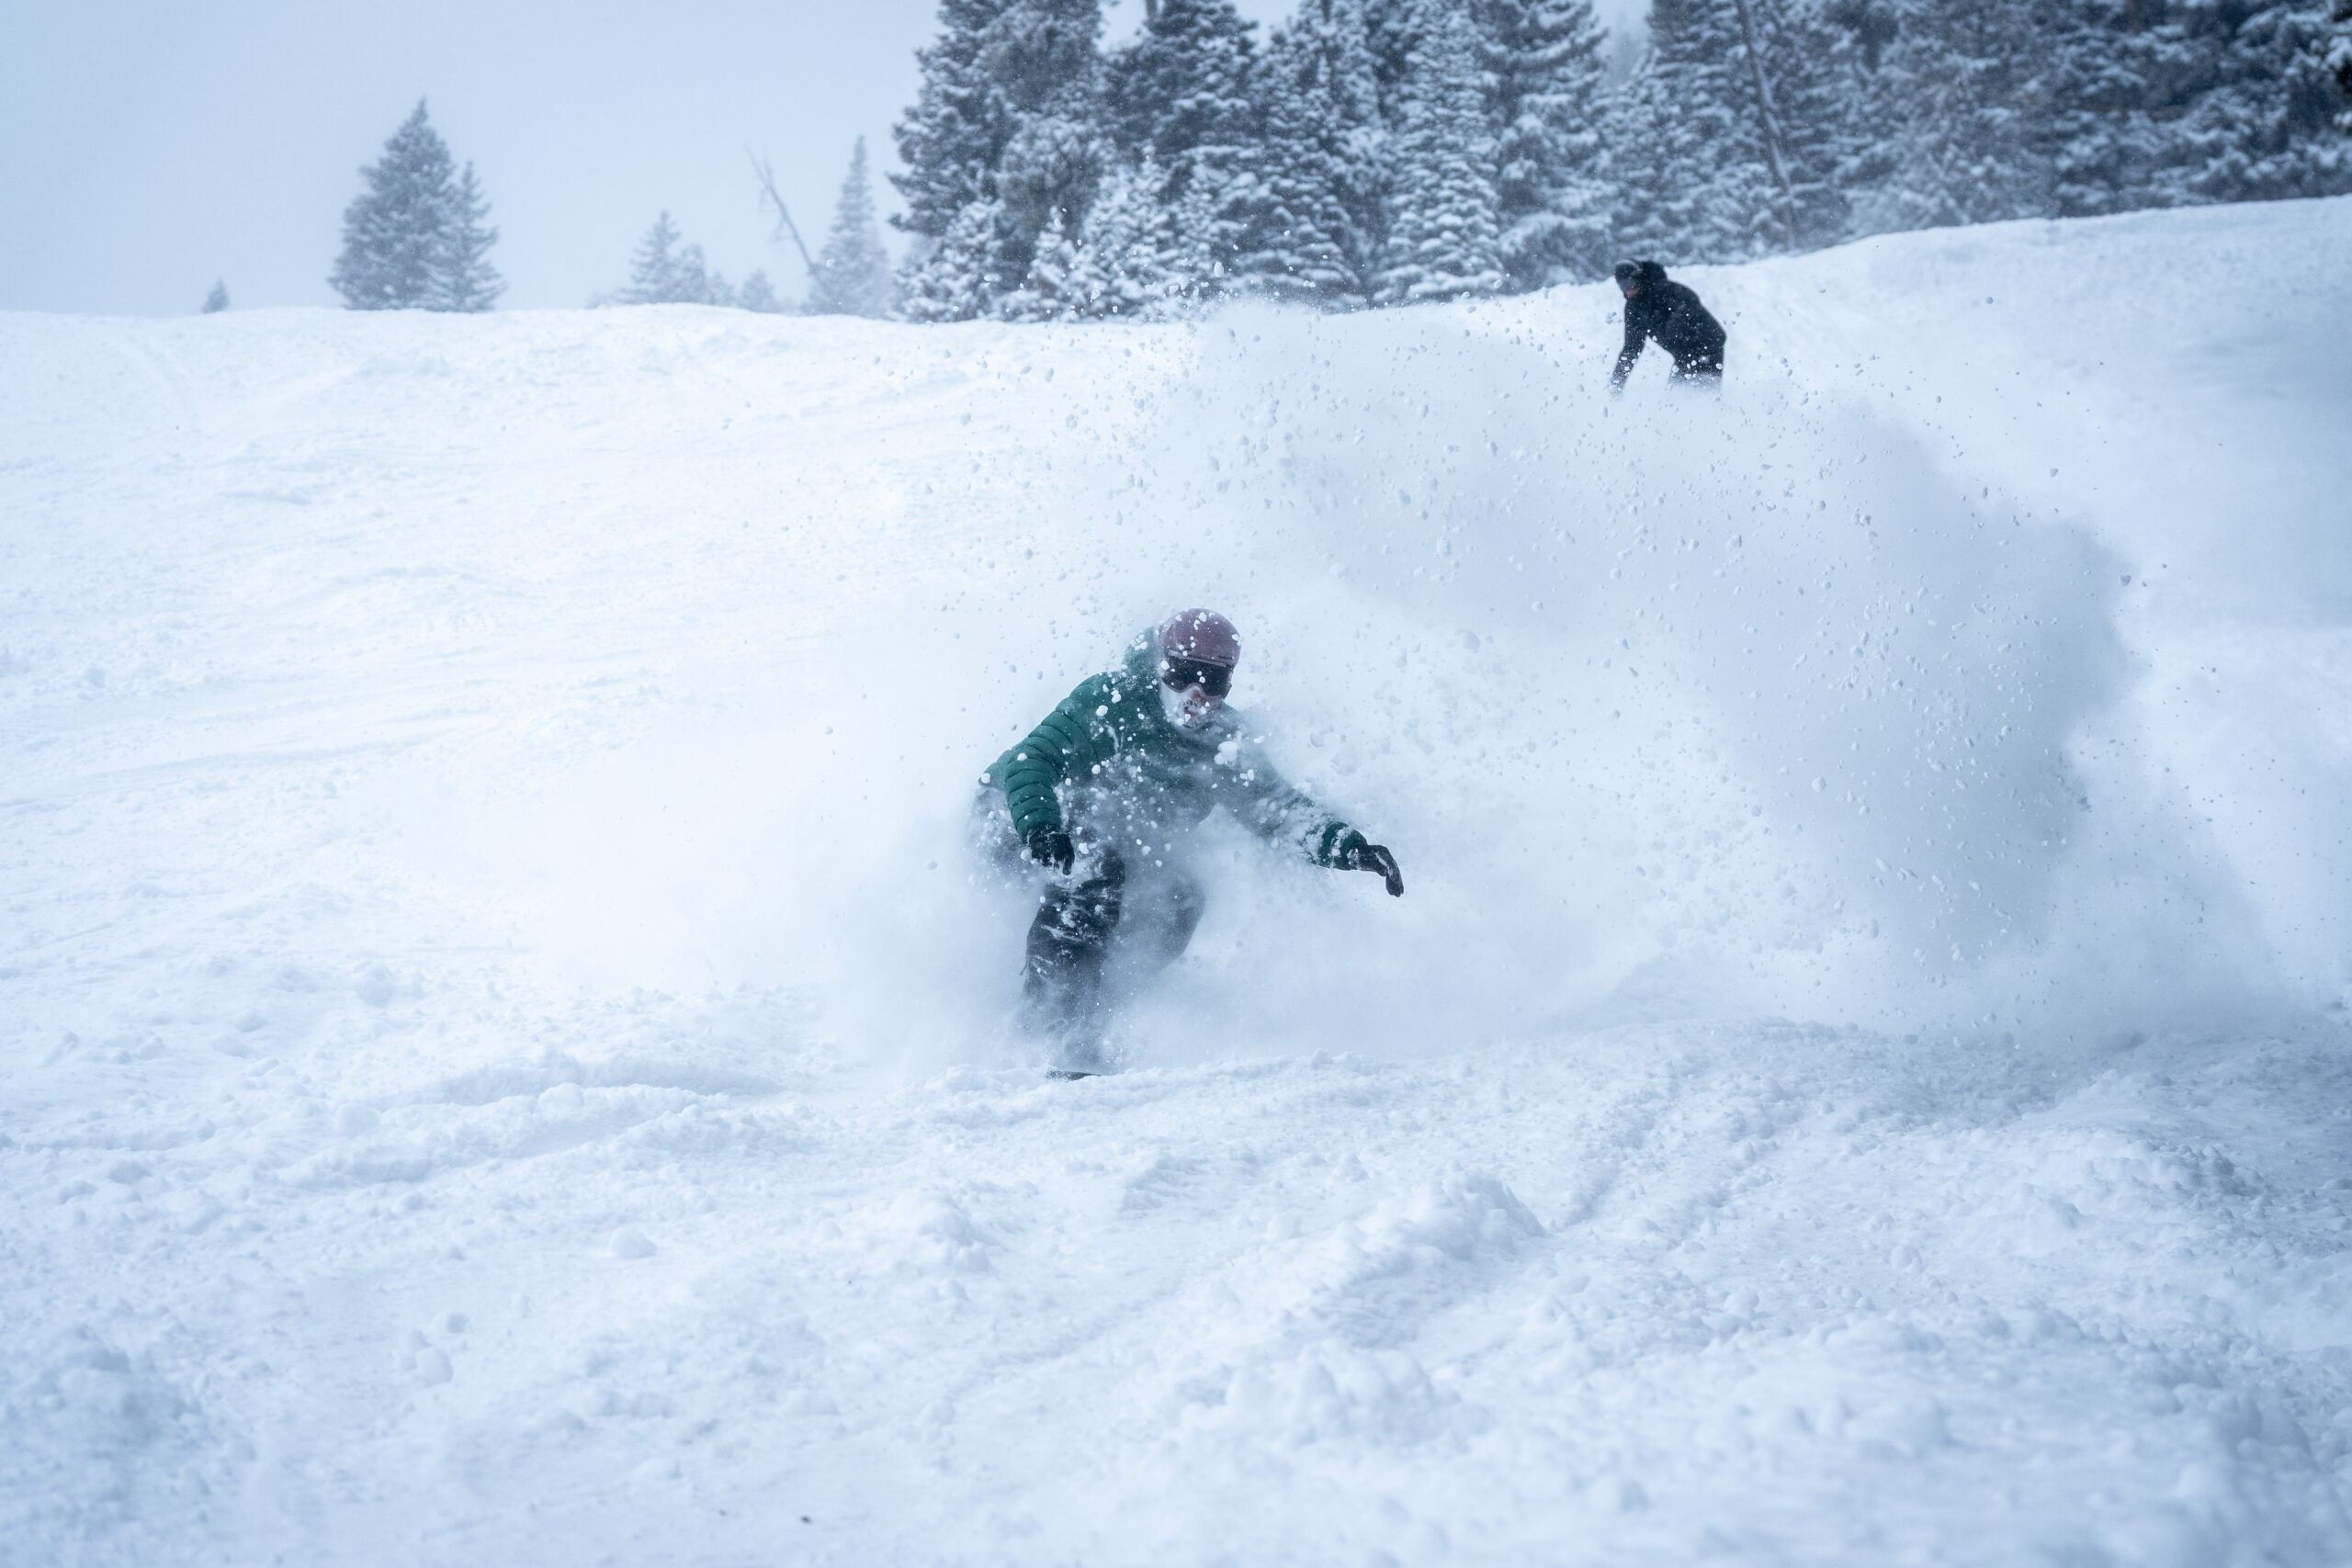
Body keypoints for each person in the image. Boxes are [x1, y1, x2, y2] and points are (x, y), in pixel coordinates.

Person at [976, 609, 1404, 1073]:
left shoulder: (1223, 739)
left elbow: (1273, 809)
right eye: (1183, 675)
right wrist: (1040, 825)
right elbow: (1030, 760)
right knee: (1096, 870)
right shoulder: (1114, 700)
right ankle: (1051, 1035)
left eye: (1213, 681)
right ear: (1161, 666)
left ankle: (1086, 1008)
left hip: (1105, 837)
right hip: (1011, 819)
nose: (1196, 694)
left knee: (1179, 901)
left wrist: (1350, 848)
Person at [1610, 260, 1726, 390]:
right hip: (1683, 355)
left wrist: (1675, 325)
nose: (1628, 290)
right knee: (1675, 397)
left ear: (1640, 278)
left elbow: (1691, 310)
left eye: (1630, 283)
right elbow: (1632, 347)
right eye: (1622, 286)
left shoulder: (1670, 292)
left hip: (1708, 346)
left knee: (1700, 395)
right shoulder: (1634, 308)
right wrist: (1616, 384)